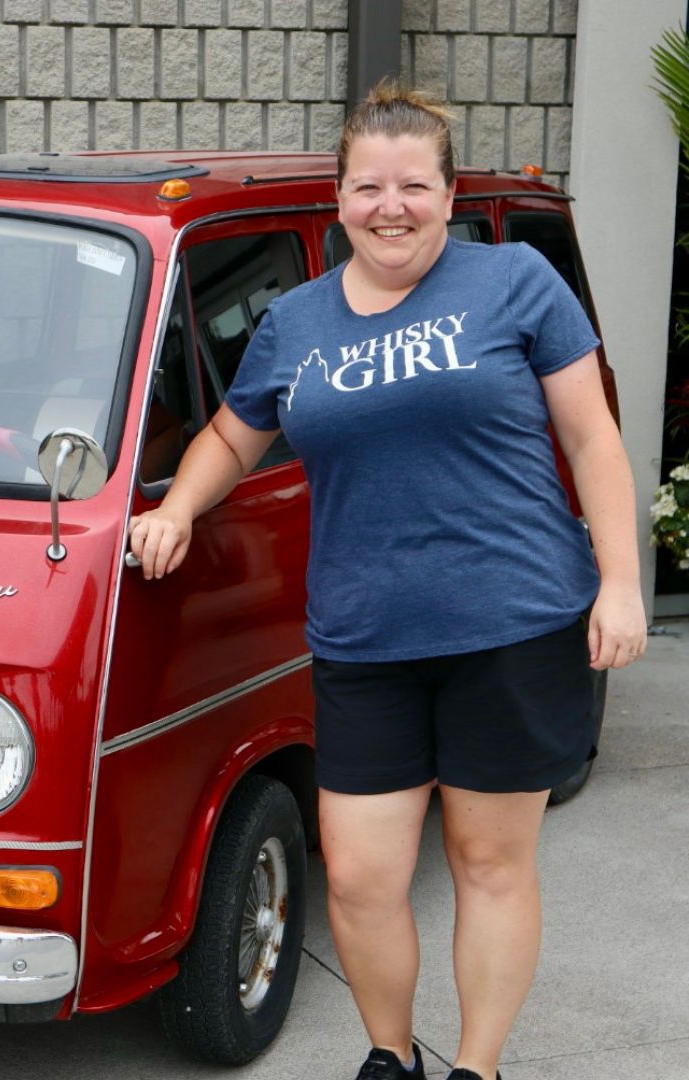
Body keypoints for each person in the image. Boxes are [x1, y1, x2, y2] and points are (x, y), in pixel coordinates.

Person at [128, 83, 647, 1080]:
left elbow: (592, 439)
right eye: (369, 185)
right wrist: (179, 508)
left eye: (414, 184)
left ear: (448, 196)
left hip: (513, 625)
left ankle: (478, 1067)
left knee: (489, 866)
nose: (391, 205)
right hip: (365, 639)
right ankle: (389, 1055)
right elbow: (233, 438)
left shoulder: (516, 285)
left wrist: (621, 584)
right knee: (364, 880)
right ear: (339, 196)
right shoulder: (295, 322)